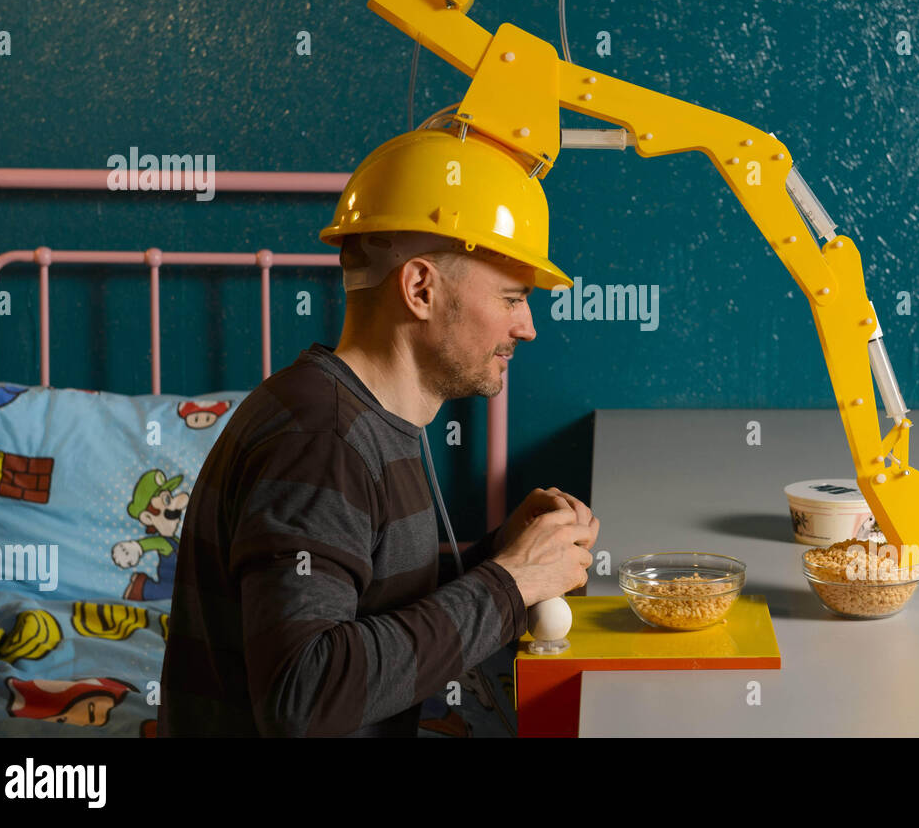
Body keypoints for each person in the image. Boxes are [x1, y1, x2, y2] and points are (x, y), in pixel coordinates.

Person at [158, 126, 597, 737]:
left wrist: (501, 556)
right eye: (512, 296)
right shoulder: (322, 442)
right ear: (420, 288)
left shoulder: (369, 418)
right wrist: (510, 583)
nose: (527, 326)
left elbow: (366, 601)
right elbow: (301, 697)